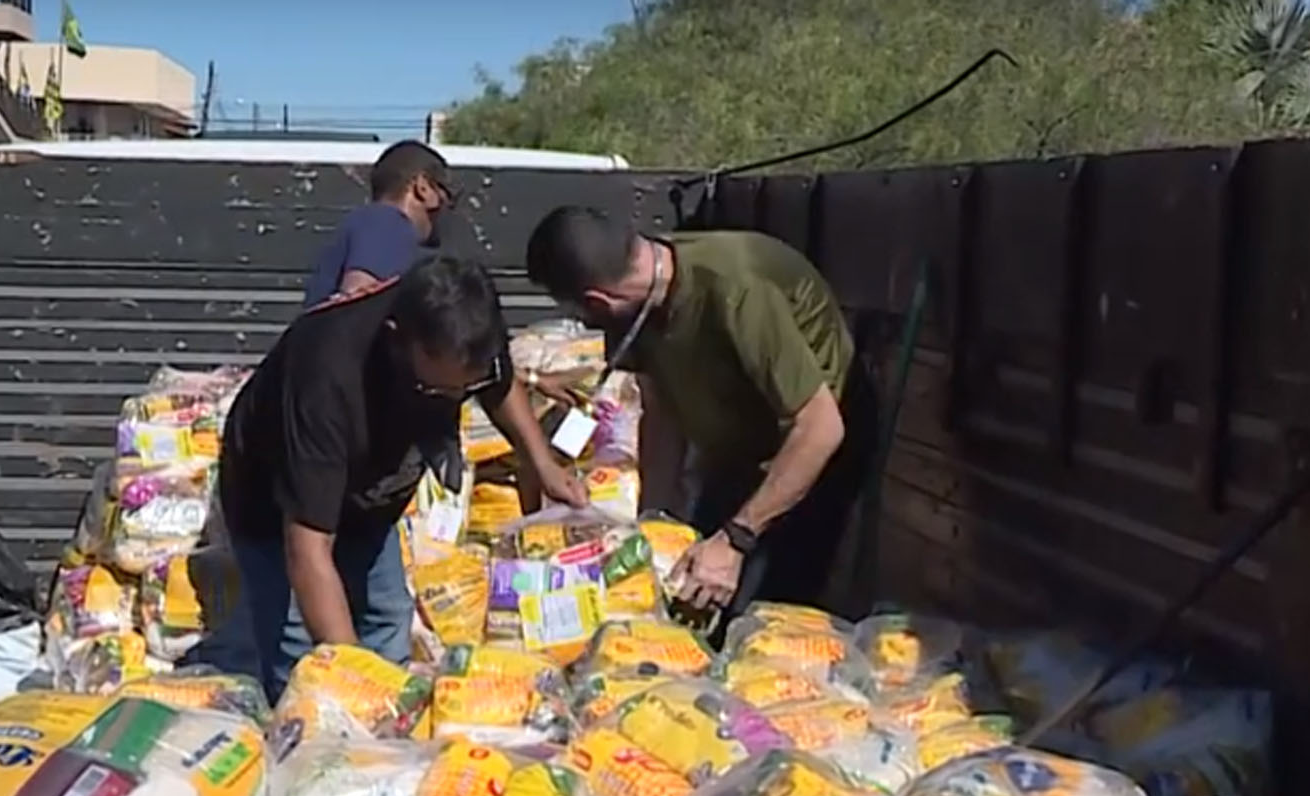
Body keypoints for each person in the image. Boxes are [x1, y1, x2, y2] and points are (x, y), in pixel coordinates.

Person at [220, 255, 587, 701]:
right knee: (298, 641)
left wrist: (543, 464)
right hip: (276, 501)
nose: (453, 400)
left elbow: (497, 381)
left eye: (463, 389)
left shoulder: (464, 330)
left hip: (370, 492)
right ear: (399, 342)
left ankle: (391, 730)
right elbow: (308, 553)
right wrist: (354, 684)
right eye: (439, 391)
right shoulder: (326, 378)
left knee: (387, 613)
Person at [523, 205, 877, 623]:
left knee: (756, 617)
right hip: (735, 453)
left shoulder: (737, 289)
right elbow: (661, 413)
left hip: (806, 454)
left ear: (597, 300)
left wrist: (735, 540)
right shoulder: (635, 306)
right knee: (687, 594)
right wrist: (650, 523)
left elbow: (820, 427)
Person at [302, 140, 455, 307]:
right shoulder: (389, 221)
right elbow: (357, 301)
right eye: (446, 192)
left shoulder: (368, 222)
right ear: (423, 187)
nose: (448, 206)